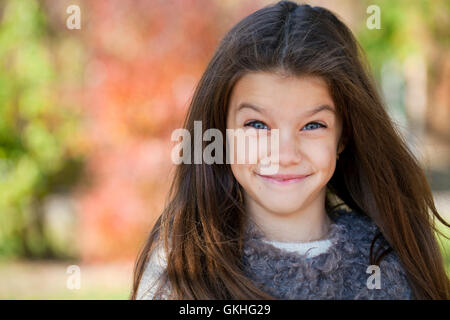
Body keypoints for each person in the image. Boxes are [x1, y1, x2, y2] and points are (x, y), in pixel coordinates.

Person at [131, 1, 450, 299]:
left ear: (343, 137)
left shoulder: (391, 268)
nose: (284, 154)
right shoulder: (178, 273)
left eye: (313, 125)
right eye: (257, 125)